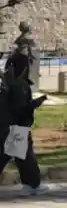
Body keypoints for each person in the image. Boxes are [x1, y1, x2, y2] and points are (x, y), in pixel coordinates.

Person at [0, 51, 48, 195]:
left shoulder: (7, 82)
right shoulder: (20, 85)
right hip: (17, 127)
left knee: (7, 156)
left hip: (6, 125)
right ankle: (31, 185)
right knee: (25, 157)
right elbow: (20, 108)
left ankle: (31, 184)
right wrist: (37, 102)